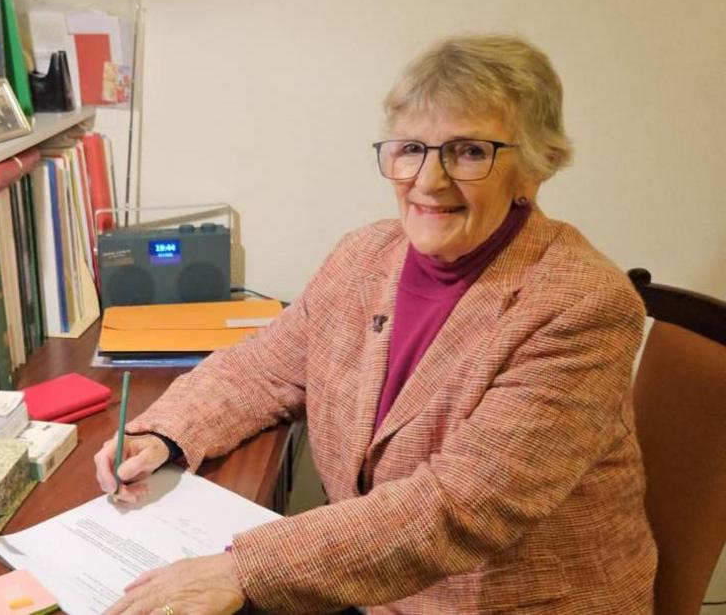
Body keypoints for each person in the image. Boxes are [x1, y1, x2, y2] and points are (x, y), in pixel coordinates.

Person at [94, 34, 656, 614]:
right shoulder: (364, 255)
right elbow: (263, 368)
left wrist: (243, 568)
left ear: (535, 168)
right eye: (411, 147)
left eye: (468, 152)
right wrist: (162, 432)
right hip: (380, 594)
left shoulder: (583, 304)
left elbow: (461, 508)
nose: (428, 180)